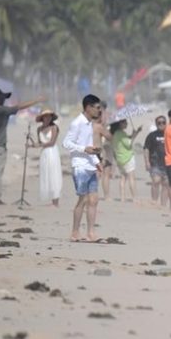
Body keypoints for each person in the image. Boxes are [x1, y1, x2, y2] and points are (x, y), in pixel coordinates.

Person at [0, 89, 44, 204]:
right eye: (3, 98)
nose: (4, 100)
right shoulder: (3, 110)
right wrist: (36, 100)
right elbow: (20, 106)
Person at [62, 94, 103, 242]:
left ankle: (91, 233)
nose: (99, 110)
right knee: (83, 199)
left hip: (90, 165)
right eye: (97, 108)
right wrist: (84, 149)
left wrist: (96, 161)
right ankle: (75, 232)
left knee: (94, 200)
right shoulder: (77, 123)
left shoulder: (89, 124)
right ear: (88, 107)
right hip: (79, 166)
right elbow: (66, 143)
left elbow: (89, 144)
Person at [33, 110, 63, 207]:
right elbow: (39, 142)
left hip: (52, 152)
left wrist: (39, 145)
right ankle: (51, 198)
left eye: (49, 116)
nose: (47, 118)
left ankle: (56, 201)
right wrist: (32, 145)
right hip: (44, 153)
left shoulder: (54, 127)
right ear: (42, 118)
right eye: (45, 116)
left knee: (54, 174)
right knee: (46, 174)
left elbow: (52, 142)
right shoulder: (39, 129)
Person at [110, 119, 141, 202]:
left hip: (120, 158)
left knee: (123, 177)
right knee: (131, 177)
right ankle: (134, 197)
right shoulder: (121, 133)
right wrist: (134, 136)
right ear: (120, 124)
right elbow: (129, 143)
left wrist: (136, 133)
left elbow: (127, 139)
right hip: (127, 157)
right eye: (125, 122)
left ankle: (122, 197)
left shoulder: (115, 134)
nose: (127, 124)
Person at [143, 116, 169, 207]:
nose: (161, 124)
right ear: (156, 124)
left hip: (168, 163)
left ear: (166, 123)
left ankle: (163, 205)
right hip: (155, 162)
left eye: (163, 122)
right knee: (156, 181)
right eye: (159, 123)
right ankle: (154, 202)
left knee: (166, 184)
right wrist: (147, 162)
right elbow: (146, 149)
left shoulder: (169, 134)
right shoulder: (152, 135)